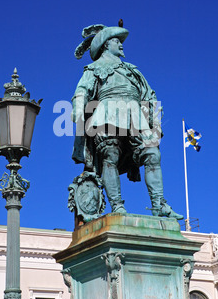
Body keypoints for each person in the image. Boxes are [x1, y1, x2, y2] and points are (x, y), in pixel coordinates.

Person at [71, 23, 183, 220]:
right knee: (110, 155)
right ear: (106, 45)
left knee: (152, 154)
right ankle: (117, 206)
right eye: (117, 41)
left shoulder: (133, 70)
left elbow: (149, 95)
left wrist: (155, 122)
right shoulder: (94, 69)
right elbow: (83, 90)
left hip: (135, 115)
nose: (121, 45)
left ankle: (159, 204)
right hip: (107, 111)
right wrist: (78, 109)